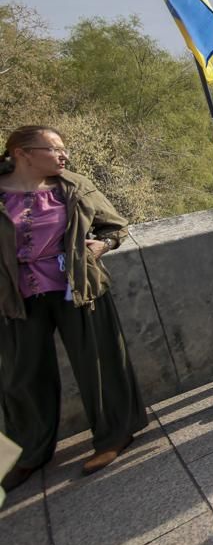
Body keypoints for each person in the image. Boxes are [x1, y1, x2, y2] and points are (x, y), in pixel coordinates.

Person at [0, 126, 148, 490]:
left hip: (75, 286)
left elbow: (115, 226)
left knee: (96, 361)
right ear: (22, 153)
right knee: (22, 374)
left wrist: (103, 244)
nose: (63, 155)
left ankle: (115, 434)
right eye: (54, 149)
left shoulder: (73, 186)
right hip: (17, 295)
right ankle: (27, 453)